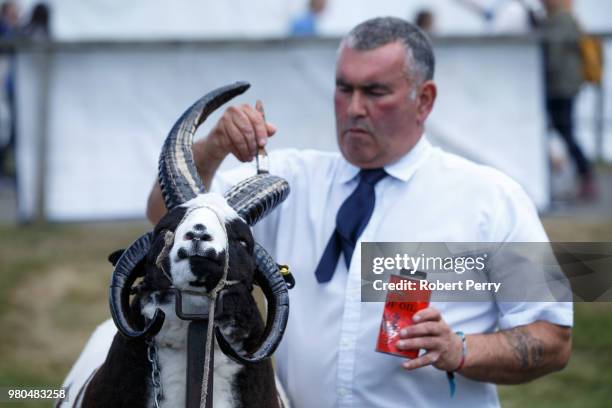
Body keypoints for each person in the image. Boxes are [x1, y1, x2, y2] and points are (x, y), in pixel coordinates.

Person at [147, 17, 572, 407]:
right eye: (344, 88)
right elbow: (160, 215)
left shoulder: (491, 198)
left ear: (423, 100)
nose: (353, 108)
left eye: (374, 91)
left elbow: (552, 338)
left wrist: (461, 350)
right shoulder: (282, 182)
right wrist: (215, 144)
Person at [520, 0, 596, 199]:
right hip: (563, 85)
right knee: (562, 131)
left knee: (564, 131)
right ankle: (578, 174)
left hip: (561, 86)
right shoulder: (562, 18)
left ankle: (584, 174)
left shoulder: (561, 19)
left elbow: (553, 54)